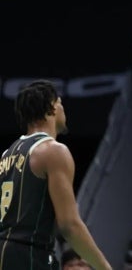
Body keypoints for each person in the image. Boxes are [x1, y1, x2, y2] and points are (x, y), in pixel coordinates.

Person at [0, 80, 111, 270]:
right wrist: (105, 267)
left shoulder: (6, 154)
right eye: (60, 104)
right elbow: (69, 225)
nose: (63, 110)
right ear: (51, 107)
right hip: (29, 256)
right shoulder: (53, 151)